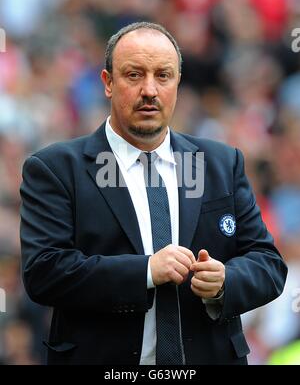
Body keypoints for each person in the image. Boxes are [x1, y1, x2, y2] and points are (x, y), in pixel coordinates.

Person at [20, 22, 287, 365]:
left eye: (163, 76)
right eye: (134, 75)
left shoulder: (220, 163)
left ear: (177, 83)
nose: (150, 90)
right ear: (108, 83)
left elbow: (268, 264)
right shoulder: (56, 168)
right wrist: (146, 271)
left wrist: (225, 282)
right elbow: (45, 273)